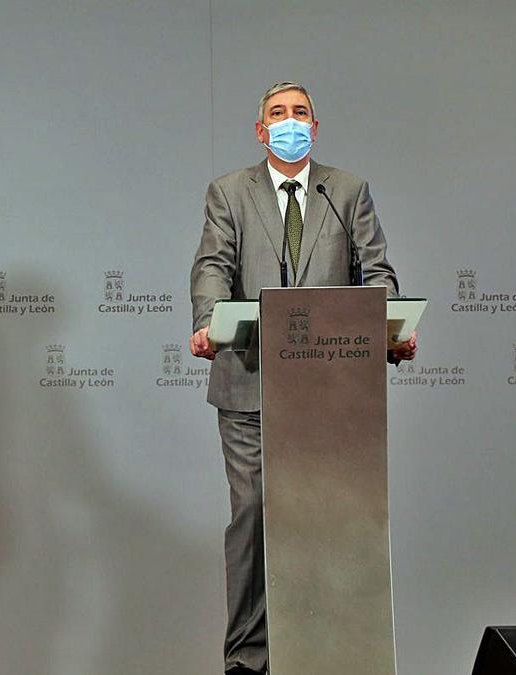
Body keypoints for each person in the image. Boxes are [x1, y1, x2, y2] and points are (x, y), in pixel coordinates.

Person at [188, 81, 416, 675]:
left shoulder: (347, 191)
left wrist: (389, 327)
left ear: (316, 127)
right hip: (250, 383)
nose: (290, 122)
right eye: (277, 114)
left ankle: (330, 650)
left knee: (334, 514)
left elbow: (377, 272)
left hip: (332, 393)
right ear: (261, 131)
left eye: (301, 113)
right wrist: (209, 321)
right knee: (256, 511)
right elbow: (214, 264)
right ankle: (249, 656)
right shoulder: (230, 193)